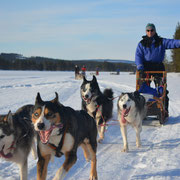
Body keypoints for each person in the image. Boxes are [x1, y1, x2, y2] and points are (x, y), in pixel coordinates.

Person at [135, 23, 180, 116]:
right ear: (146, 32)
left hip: (158, 68)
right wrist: (140, 67)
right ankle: (142, 110)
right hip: (146, 69)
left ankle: (164, 110)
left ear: (155, 31)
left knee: (162, 90)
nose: (150, 32)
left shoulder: (161, 41)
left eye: (152, 30)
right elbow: (138, 56)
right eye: (148, 30)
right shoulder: (142, 43)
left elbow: (173, 43)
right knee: (142, 90)